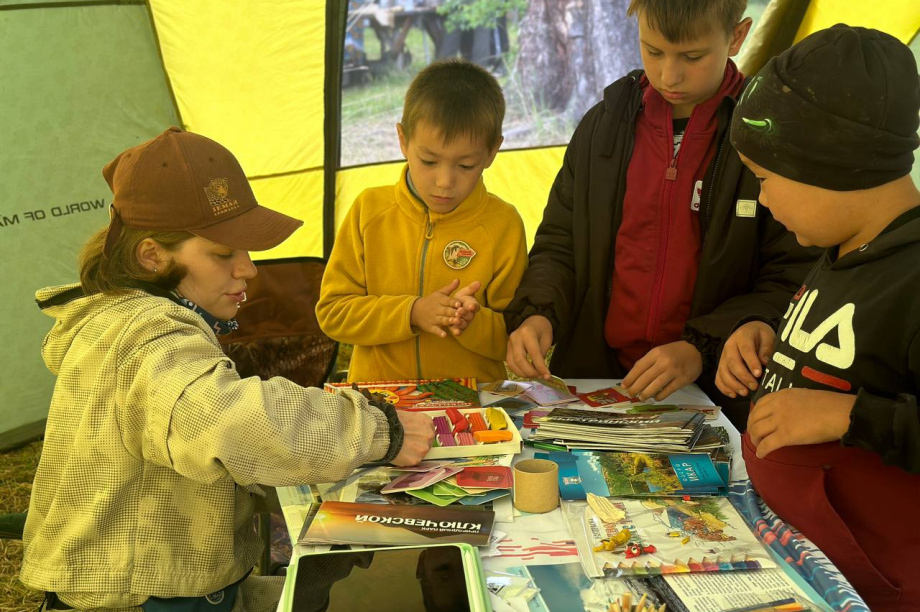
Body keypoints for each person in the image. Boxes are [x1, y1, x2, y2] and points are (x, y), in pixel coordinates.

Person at [19, 127, 436, 612]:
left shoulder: (129, 316)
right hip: (138, 599)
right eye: (223, 253)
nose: (249, 269)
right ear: (152, 256)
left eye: (245, 249)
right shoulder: (143, 334)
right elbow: (229, 422)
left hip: (172, 581)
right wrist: (377, 429)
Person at [502, 0, 817, 427]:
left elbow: (794, 276)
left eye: (692, 57)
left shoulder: (766, 139)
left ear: (737, 37)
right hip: (598, 381)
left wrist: (699, 348)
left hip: (717, 398)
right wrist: (539, 312)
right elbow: (559, 242)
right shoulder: (602, 127)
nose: (670, 75)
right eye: (653, 51)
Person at [716, 25, 920, 611]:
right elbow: (844, 351)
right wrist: (774, 343)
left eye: (765, 179)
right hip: (801, 563)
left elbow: (855, 404)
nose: (764, 201)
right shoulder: (840, 248)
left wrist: (851, 415)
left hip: (878, 590)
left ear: (835, 166)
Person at [317, 59, 527, 384]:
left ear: (492, 152)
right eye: (429, 161)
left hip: (472, 409)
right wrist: (412, 312)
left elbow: (513, 336)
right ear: (403, 141)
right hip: (381, 405)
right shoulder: (369, 211)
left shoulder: (503, 224)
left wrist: (474, 322)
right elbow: (333, 313)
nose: (444, 181)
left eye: (466, 165)